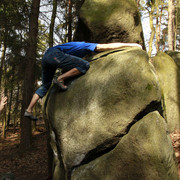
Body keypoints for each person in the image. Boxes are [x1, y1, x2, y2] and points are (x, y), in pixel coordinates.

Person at [24, 41, 142, 120]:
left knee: (45, 86)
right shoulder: (85, 45)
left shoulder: (72, 48)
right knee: (84, 65)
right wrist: (131, 45)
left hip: (47, 57)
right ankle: (60, 79)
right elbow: (106, 46)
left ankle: (29, 110)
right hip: (54, 55)